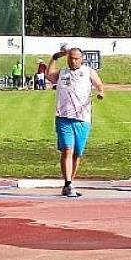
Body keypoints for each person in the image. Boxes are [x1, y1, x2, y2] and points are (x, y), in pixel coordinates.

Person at [46, 46, 105, 198]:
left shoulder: (88, 72)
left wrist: (100, 92)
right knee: (67, 149)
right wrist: (54, 57)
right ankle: (68, 184)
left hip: (82, 118)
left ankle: (70, 181)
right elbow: (49, 76)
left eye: (76, 58)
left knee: (77, 153)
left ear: (82, 59)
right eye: (70, 58)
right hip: (63, 117)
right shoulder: (63, 72)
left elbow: (99, 84)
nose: (73, 61)